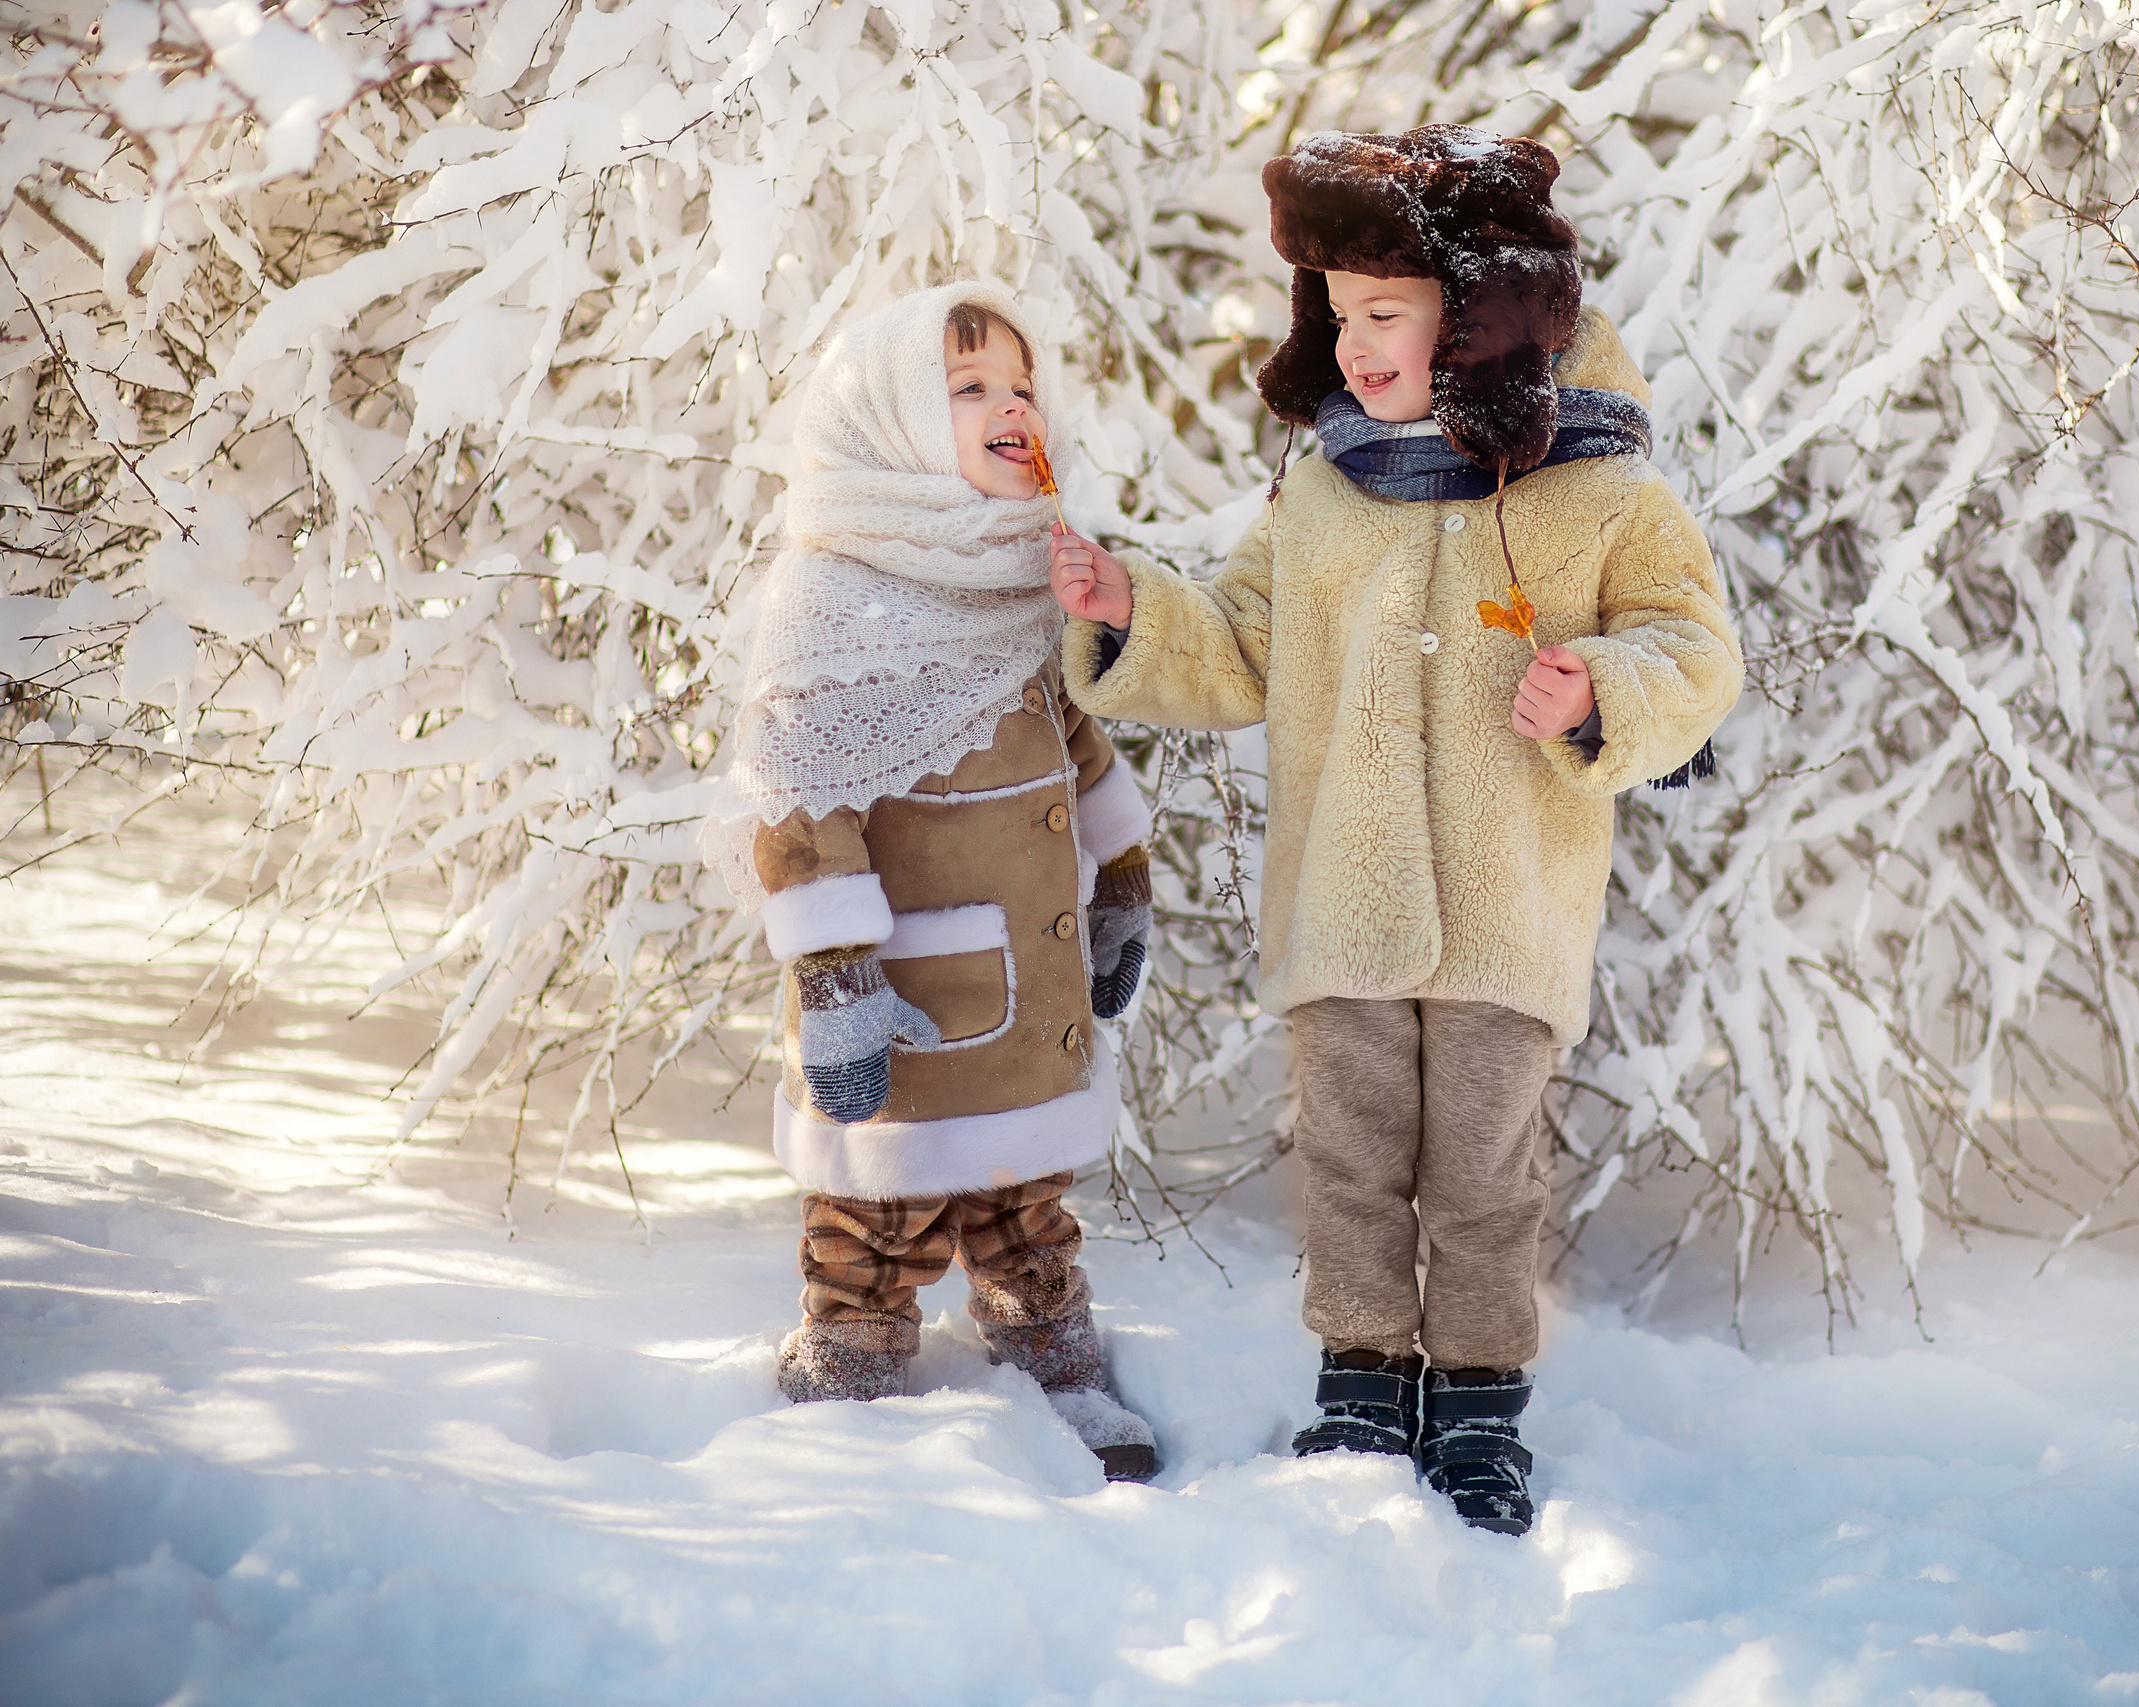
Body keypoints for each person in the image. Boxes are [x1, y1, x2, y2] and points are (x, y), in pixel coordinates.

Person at [1048, 127, 1742, 1530]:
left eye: (1386, 314)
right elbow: (1244, 645)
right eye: (1338, 314)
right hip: (1345, 902)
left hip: (1506, 907)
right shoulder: (1324, 487)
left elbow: (1694, 647)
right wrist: (1133, 612)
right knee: (1352, 1161)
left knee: (1483, 1173)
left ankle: (1478, 1408)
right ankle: (1361, 1383)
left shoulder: (1602, 488)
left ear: (1477, 320)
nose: (1354, 346)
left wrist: (1600, 689)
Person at [704, 281, 1158, 1481]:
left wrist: (1120, 872)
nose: (1013, 407)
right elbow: (798, 805)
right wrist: (836, 978)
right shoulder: (834, 599)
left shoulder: (1020, 573)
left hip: (1024, 984)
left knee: (1026, 1206)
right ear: (892, 422)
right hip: (900, 999)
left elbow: (1074, 736)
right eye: (969, 388)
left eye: (1023, 386)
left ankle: (1054, 1358)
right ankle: (848, 1365)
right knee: (874, 1216)